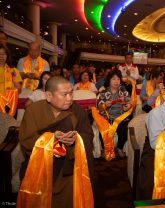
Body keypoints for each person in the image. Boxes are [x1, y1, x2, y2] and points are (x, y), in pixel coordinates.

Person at [18, 76, 94, 208]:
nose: (70, 98)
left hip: (67, 167)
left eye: (71, 93)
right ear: (48, 95)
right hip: (40, 167)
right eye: (65, 94)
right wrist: (51, 138)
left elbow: (88, 136)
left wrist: (76, 140)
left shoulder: (78, 111)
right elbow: (26, 140)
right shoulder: (33, 111)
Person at [97, 70, 132, 158]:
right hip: (107, 118)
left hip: (121, 118)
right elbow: (99, 108)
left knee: (125, 129)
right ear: (109, 80)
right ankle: (105, 149)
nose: (116, 81)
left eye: (118, 79)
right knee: (103, 129)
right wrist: (105, 105)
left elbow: (130, 102)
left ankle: (119, 148)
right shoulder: (103, 92)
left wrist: (128, 106)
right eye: (113, 79)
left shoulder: (123, 91)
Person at [0, 44, 22, 116]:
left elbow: (18, 88)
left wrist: (15, 88)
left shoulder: (13, 70)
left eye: (3, 54)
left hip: (10, 103)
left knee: (11, 125)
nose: (1, 56)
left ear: (7, 56)